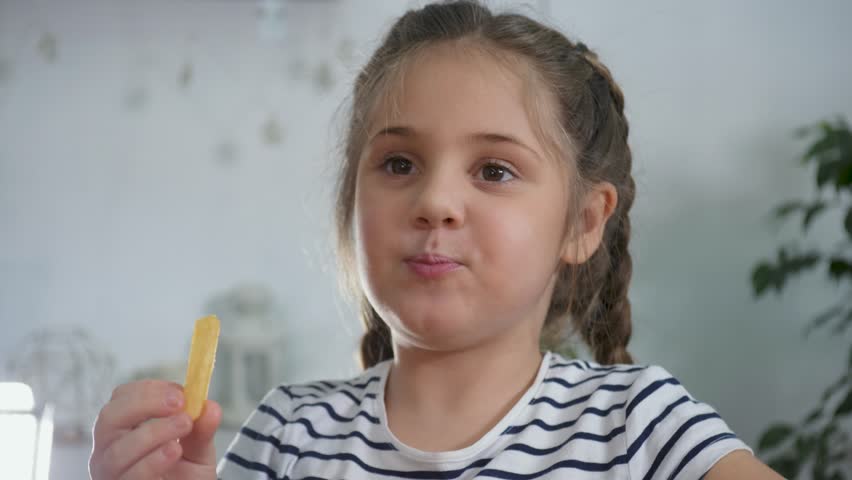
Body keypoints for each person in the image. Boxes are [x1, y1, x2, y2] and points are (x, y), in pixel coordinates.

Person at [89, 1, 785, 478]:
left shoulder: (643, 429)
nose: (434, 202)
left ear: (583, 223)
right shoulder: (285, 435)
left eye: (494, 170)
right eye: (398, 164)